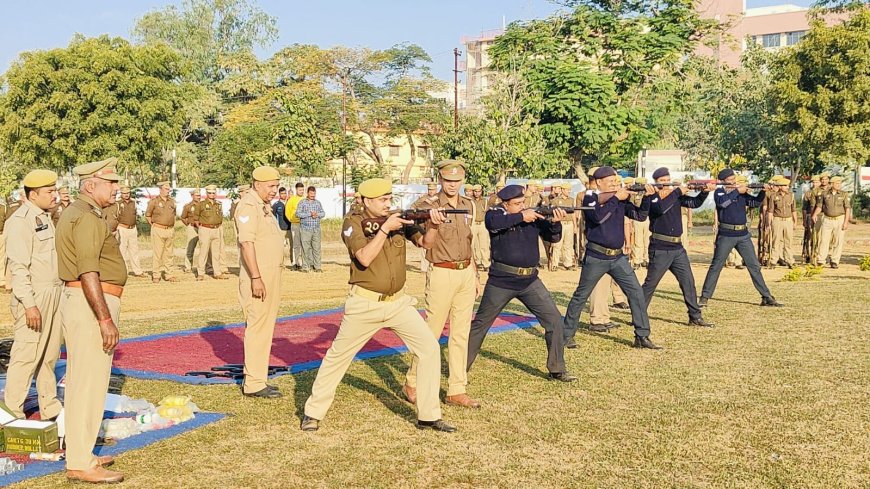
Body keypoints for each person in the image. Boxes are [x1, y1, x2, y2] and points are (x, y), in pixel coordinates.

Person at [301, 178, 455, 433]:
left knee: (429, 348)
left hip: (398, 302)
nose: (388, 204)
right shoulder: (352, 222)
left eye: (389, 199)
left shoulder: (396, 218)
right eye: (382, 200)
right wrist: (385, 230)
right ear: (366, 200)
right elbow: (363, 257)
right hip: (365, 302)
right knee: (338, 358)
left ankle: (428, 415)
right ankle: (313, 412)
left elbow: (426, 244)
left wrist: (434, 225)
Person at [56, 158, 125, 483]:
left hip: (84, 303)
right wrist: (104, 318)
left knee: (88, 382)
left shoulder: (85, 214)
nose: (116, 188)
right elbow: (88, 271)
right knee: (87, 383)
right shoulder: (85, 217)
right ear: (90, 185)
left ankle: (83, 453)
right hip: (89, 305)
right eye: (110, 183)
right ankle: (80, 461)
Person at [467, 184, 577, 386]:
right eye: (517, 204)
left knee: (554, 320)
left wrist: (555, 222)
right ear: (505, 204)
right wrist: (521, 216)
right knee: (480, 325)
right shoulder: (495, 214)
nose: (522, 206)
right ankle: (460, 368)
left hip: (529, 280)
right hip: (501, 280)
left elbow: (553, 237)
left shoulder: (532, 216)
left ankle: (557, 368)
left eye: (523, 202)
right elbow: (493, 224)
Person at [403, 160, 480, 409]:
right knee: (431, 333)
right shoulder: (426, 206)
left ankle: (457, 388)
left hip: (465, 271)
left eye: (457, 181)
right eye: (448, 181)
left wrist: (476, 272)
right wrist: (433, 224)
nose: (453, 185)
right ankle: (412, 381)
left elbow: (469, 240)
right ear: (440, 179)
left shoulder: (469, 205)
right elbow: (423, 242)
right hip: (441, 272)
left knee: (461, 334)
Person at [563, 166, 662, 349]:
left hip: (618, 258)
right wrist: (617, 197)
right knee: (581, 296)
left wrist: (647, 198)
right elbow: (598, 217)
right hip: (597, 256)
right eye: (610, 182)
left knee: (636, 292)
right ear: (599, 182)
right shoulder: (591, 197)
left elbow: (639, 216)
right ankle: (566, 336)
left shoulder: (618, 198)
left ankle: (642, 335)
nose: (614, 185)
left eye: (615, 182)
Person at [4, 169, 65, 421]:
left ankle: (49, 406)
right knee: (26, 355)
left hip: (54, 291)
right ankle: (11, 411)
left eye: (55, 190)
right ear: (33, 194)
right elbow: (18, 267)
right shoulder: (21, 221)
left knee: (49, 354)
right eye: (49, 192)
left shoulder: (45, 217)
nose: (55, 195)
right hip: (34, 295)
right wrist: (29, 305)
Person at [640, 168, 714, 327]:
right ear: (656, 182)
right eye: (662, 181)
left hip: (677, 247)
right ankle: (638, 315)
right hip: (660, 247)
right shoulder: (652, 197)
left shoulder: (675, 196)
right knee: (650, 284)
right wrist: (677, 192)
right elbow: (660, 209)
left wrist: (704, 192)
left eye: (668, 180)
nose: (666, 184)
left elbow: (693, 203)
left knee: (688, 282)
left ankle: (695, 316)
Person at [699, 169, 782, 307]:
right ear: (722, 181)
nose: (733, 181)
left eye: (734, 178)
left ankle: (766, 297)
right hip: (726, 234)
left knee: (754, 266)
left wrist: (763, 191)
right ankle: (704, 297)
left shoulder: (741, 193)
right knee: (716, 266)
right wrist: (737, 191)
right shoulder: (720, 192)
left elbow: (754, 203)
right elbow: (722, 204)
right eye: (730, 179)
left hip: (743, 235)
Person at [236, 167, 285, 398]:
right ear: (257, 184)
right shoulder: (248, 205)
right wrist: (256, 277)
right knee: (257, 327)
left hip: (269, 275)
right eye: (270, 186)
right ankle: (254, 383)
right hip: (259, 276)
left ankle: (258, 378)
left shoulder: (263, 206)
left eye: (276, 186)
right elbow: (247, 244)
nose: (274, 191)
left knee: (265, 328)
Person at [812, 176, 851, 269]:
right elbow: (820, 206)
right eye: (837, 183)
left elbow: (847, 208)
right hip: (827, 219)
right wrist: (814, 214)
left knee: (838, 241)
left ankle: (835, 260)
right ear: (832, 184)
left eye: (840, 183)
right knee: (824, 240)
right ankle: (821, 260)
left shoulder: (844, 194)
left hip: (839, 219)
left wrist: (846, 222)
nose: (839, 185)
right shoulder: (824, 194)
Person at [145, 180, 178, 283]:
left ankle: (169, 274)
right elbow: (148, 215)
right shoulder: (154, 201)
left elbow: (174, 214)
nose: (168, 191)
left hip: (170, 230)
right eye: (166, 189)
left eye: (169, 189)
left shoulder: (172, 201)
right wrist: (154, 225)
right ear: (160, 189)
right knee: (158, 253)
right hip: (158, 229)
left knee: (169, 253)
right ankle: (156, 275)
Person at [108, 185, 144, 277]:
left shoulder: (133, 202)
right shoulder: (117, 203)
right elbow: (114, 217)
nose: (126, 195)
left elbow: (135, 215)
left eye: (127, 193)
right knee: (122, 251)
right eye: (124, 193)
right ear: (121, 194)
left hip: (132, 228)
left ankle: (138, 271)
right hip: (122, 228)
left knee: (134, 250)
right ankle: (124, 271)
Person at [195, 185, 229, 280]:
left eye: (213, 193)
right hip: (205, 229)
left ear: (216, 193)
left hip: (217, 229)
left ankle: (217, 272)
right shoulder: (201, 204)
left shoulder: (218, 204)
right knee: (203, 252)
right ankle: (200, 273)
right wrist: (202, 229)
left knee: (216, 252)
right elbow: (196, 218)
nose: (211, 194)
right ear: (206, 193)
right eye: (209, 193)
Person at [767, 176, 797, 268]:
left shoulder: (791, 196)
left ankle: (790, 260)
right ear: (780, 186)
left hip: (788, 220)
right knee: (776, 241)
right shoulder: (773, 196)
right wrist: (769, 223)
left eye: (787, 185)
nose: (787, 187)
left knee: (789, 242)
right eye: (785, 185)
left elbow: (794, 210)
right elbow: (770, 211)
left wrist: (795, 222)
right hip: (777, 220)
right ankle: (773, 261)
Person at [295, 186, 325, 272]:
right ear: (307, 193)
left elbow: (323, 213)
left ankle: (317, 267)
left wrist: (317, 214)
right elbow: (298, 214)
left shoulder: (318, 203)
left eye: (314, 193)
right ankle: (305, 267)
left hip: (316, 229)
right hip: (305, 229)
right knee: (305, 248)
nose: (313, 195)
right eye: (311, 193)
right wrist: (309, 214)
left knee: (316, 248)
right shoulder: (302, 202)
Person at [181, 189, 210, 275]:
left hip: (203, 227)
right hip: (192, 228)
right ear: (192, 196)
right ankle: (188, 267)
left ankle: (207, 267)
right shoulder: (188, 206)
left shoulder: (203, 205)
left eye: (199, 195)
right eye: (197, 195)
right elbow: (183, 217)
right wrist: (188, 224)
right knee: (190, 247)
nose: (199, 197)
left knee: (205, 247)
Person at [411, 182, 439, 272]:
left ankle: (433, 265)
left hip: (435, 225)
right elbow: (413, 206)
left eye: (433, 189)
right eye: (429, 189)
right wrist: (418, 214)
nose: (431, 191)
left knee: (435, 246)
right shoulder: (423, 198)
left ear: (436, 189)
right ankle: (424, 267)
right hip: (424, 224)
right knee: (424, 246)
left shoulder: (439, 198)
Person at [548, 183, 577, 271]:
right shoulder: (556, 200)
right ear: (562, 190)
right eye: (567, 189)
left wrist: (575, 226)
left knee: (568, 244)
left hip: (569, 224)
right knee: (557, 244)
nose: (569, 191)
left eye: (569, 190)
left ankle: (568, 263)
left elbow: (573, 213)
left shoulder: (571, 200)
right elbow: (552, 212)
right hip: (560, 223)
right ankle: (554, 264)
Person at [284, 182, 306, 270]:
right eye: (300, 190)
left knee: (304, 244)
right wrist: (292, 220)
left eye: (303, 190)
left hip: (304, 225)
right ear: (296, 190)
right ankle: (295, 263)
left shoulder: (305, 200)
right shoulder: (291, 200)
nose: (301, 191)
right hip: (295, 225)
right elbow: (287, 212)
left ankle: (304, 263)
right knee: (296, 245)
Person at [469, 184, 491, 271]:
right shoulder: (471, 201)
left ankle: (486, 263)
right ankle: (478, 262)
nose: (477, 193)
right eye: (475, 191)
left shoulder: (485, 201)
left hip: (482, 224)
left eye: (479, 191)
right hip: (474, 224)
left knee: (484, 245)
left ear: (481, 191)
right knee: (475, 245)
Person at [631, 177, 651, 268]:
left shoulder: (650, 193)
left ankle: (646, 259)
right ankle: (637, 260)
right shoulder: (634, 194)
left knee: (647, 240)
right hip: (637, 219)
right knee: (637, 240)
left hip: (648, 218)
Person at [801, 175, 821, 263]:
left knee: (819, 236)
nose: (815, 184)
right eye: (813, 182)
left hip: (820, 216)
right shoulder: (808, 193)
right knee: (809, 235)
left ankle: (817, 254)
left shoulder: (823, 192)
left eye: (816, 182)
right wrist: (804, 220)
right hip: (809, 215)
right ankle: (808, 253)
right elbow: (804, 208)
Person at [273, 187, 293, 268]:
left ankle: (293, 263)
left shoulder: (289, 203)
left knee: (292, 246)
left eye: (285, 193)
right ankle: (281, 263)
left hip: (290, 228)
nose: (283, 195)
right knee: (280, 248)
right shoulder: (276, 205)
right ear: (279, 194)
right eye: (282, 193)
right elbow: (273, 216)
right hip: (280, 229)